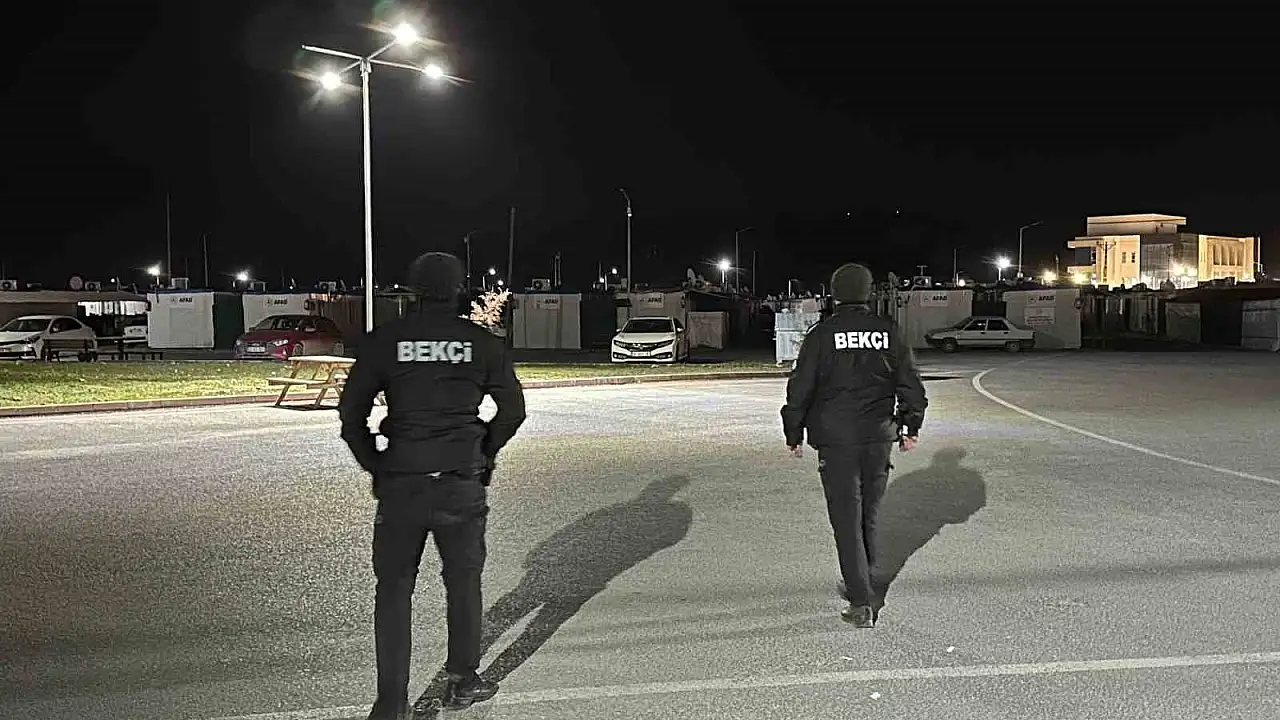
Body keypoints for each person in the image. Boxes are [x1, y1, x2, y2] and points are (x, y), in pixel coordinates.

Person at [339, 251, 526, 718]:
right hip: (460, 482)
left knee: (393, 590)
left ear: (413, 290)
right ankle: (462, 680)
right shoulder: (481, 343)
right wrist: (484, 451)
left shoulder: (385, 341)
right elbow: (513, 411)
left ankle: (391, 703)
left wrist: (376, 465)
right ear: (459, 289)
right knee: (463, 583)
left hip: (402, 482)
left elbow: (351, 416)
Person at [780, 262, 928, 629]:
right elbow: (910, 384)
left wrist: (793, 432)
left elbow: (800, 388)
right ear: (867, 292)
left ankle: (861, 600)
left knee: (846, 519)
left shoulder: (821, 335)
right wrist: (910, 426)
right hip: (878, 437)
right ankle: (863, 579)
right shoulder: (888, 332)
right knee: (869, 514)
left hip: (836, 440)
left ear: (835, 293)